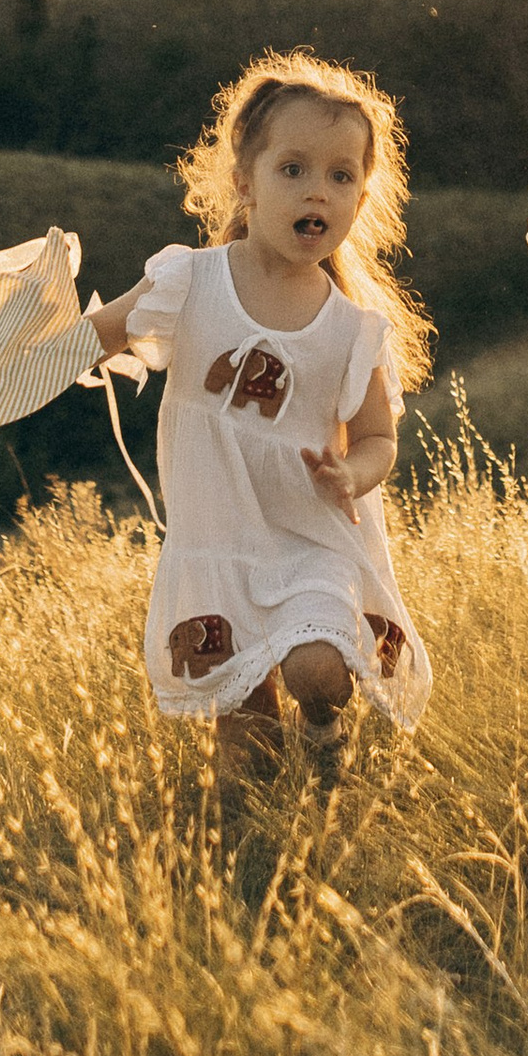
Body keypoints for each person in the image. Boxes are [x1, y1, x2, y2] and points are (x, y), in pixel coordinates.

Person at [85, 50, 433, 769]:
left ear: (361, 202)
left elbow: (378, 437)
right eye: (294, 170)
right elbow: (100, 336)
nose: (319, 192)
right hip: (220, 540)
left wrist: (353, 474)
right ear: (245, 183)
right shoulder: (192, 282)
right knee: (242, 746)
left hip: (311, 538)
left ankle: (324, 731)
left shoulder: (351, 327)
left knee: (319, 672)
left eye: (341, 177)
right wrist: (33, 328)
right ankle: (257, 846)